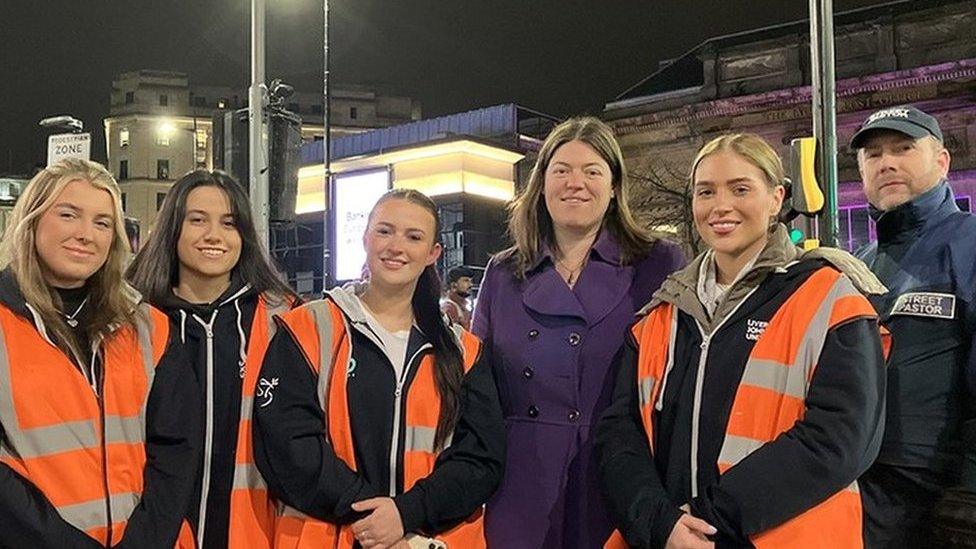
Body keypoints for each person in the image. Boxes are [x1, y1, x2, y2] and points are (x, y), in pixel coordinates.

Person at [596, 133, 888, 548]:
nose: (721, 206)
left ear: (776, 198)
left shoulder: (831, 298)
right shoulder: (661, 314)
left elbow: (839, 440)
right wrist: (658, 521)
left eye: (740, 189)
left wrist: (706, 519)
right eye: (705, 192)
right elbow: (619, 433)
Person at [472, 116, 686, 548]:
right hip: (520, 484)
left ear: (613, 188)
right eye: (562, 170)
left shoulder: (659, 263)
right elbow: (479, 388)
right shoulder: (502, 272)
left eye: (592, 172)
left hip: (618, 480)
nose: (576, 183)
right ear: (542, 184)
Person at [253, 189, 505, 548]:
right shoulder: (308, 329)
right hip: (332, 536)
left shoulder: (463, 351)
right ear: (366, 238)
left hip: (427, 540)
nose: (396, 246)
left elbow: (481, 459)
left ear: (433, 253)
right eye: (385, 231)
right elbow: (288, 446)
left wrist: (407, 513)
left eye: (414, 236)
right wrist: (373, 519)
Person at [0, 159, 199, 548]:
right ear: (32, 220)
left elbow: (177, 448)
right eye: (68, 215)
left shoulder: (148, 326)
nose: (85, 234)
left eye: (102, 222)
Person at [127, 170, 299, 548]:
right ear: (173, 229)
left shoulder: (282, 320)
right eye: (197, 220)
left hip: (253, 533)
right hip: (151, 533)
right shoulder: (131, 320)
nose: (213, 236)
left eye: (229, 223)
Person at [849, 105, 976, 548]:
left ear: (942, 161)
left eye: (904, 148)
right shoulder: (857, 265)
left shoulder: (969, 244)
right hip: (857, 486)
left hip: (936, 495)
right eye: (873, 155)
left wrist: (968, 493)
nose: (887, 162)